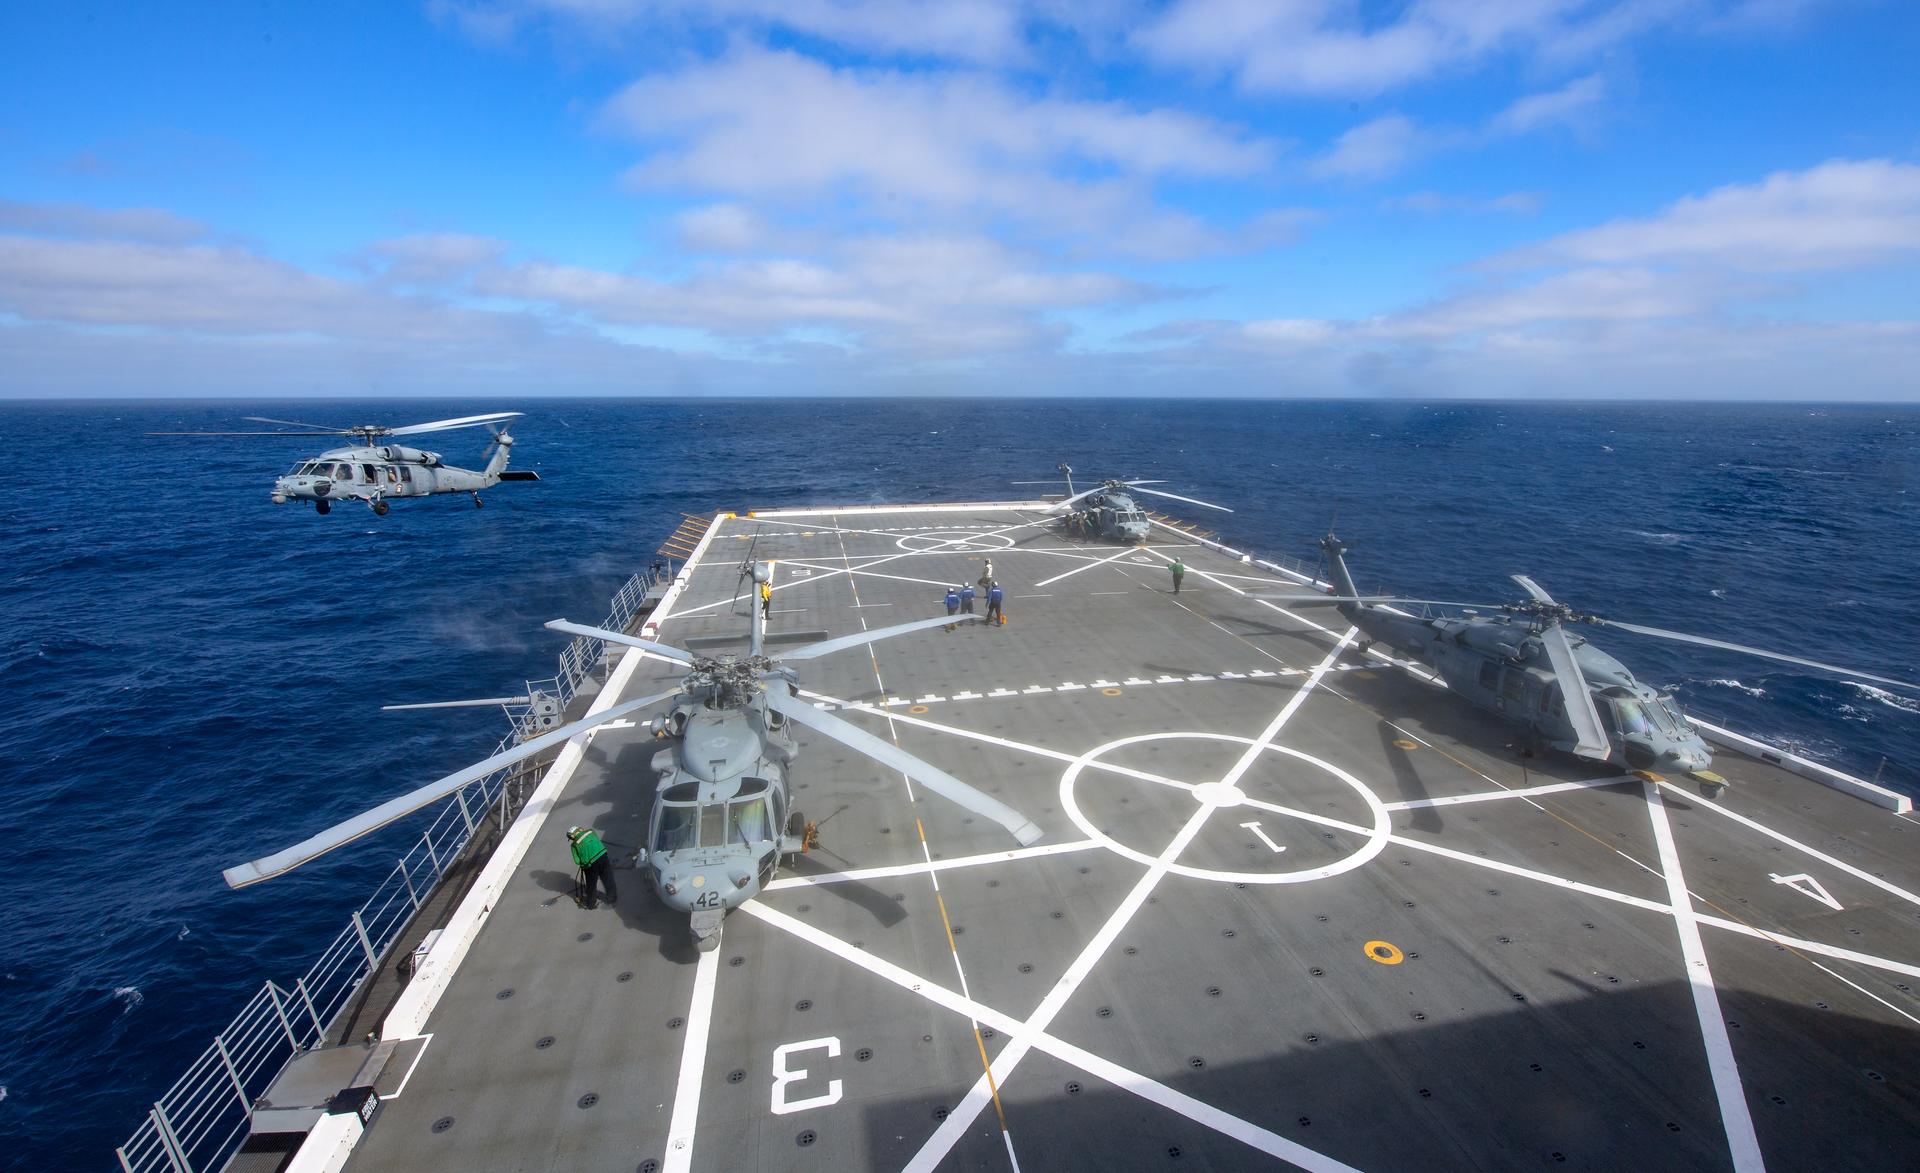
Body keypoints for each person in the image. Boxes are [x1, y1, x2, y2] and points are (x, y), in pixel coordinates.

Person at [567, 825, 617, 909]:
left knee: (591, 885)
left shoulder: (574, 845)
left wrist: (583, 863)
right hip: (603, 857)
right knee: (608, 879)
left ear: (572, 836)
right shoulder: (591, 832)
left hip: (590, 866)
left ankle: (591, 904)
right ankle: (612, 898)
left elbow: (577, 861)